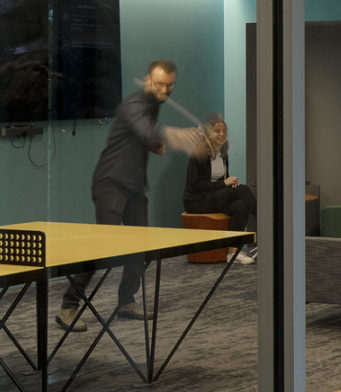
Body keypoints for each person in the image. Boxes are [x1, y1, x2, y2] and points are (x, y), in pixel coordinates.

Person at [57, 60, 204, 331]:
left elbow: (140, 134)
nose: (164, 90)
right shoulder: (135, 103)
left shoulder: (152, 104)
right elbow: (145, 128)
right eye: (159, 84)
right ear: (148, 79)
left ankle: (126, 301)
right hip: (110, 183)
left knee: (141, 248)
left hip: (134, 184)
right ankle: (68, 306)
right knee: (103, 248)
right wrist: (171, 135)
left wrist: (153, 145)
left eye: (169, 85)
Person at [185, 115, 257, 264]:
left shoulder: (223, 153)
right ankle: (268, 224)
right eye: (217, 131)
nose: (222, 134)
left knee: (240, 205)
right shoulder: (198, 153)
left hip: (214, 197)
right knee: (243, 190)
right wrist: (224, 184)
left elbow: (224, 179)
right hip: (197, 201)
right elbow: (195, 185)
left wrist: (230, 184)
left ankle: (233, 251)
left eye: (224, 131)